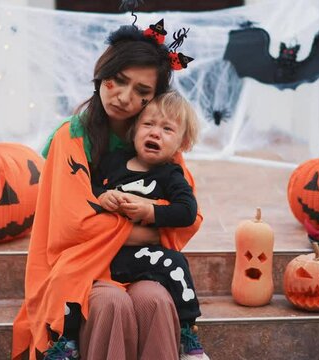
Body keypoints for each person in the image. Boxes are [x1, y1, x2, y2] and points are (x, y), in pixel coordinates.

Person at [11, 22, 203, 360]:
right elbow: (74, 226)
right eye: (120, 81)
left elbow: (188, 216)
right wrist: (148, 225)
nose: (125, 97)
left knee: (155, 301)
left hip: (141, 265)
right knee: (111, 304)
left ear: (153, 97)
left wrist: (137, 220)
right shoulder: (70, 138)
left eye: (142, 90)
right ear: (102, 73)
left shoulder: (155, 138)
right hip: (81, 266)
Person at [92, 90, 208, 360]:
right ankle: (66, 338)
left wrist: (151, 211)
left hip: (143, 260)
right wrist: (102, 194)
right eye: (148, 124)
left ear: (183, 143)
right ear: (133, 131)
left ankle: (188, 329)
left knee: (176, 262)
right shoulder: (112, 163)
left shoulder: (170, 175)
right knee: (68, 273)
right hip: (104, 256)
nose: (155, 133)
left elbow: (187, 211)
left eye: (167, 129)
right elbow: (89, 185)